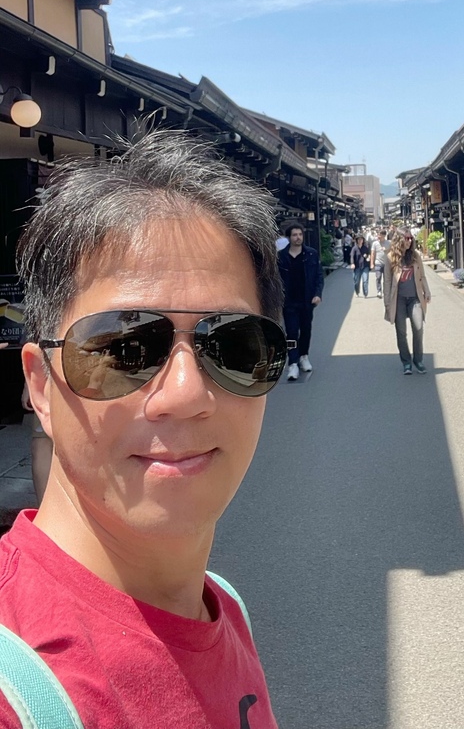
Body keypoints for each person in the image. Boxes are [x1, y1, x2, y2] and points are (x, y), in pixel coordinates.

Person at [0, 129, 286, 727]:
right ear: (41, 385)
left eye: (234, 344)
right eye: (125, 346)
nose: (185, 394)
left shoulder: (223, 607)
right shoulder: (16, 687)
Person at [278, 222, 324, 381]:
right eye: (294, 235)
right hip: (289, 301)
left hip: (307, 300)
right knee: (291, 333)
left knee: (306, 330)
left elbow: (319, 276)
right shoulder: (281, 257)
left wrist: (317, 294)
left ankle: (304, 356)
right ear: (289, 237)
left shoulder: (311, 254)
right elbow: (275, 279)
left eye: (300, 234)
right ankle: (293, 363)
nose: (298, 237)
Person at [383, 229, 431, 374]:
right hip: (398, 299)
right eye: (407, 238)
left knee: (418, 328)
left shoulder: (415, 256)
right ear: (399, 239)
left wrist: (427, 291)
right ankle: (406, 362)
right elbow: (387, 281)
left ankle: (418, 360)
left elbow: (422, 275)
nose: (410, 241)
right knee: (401, 331)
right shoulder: (391, 257)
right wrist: (387, 302)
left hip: (415, 298)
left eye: (411, 238)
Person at [349, 233, 371, 298]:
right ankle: (357, 291)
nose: (360, 240)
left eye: (361, 239)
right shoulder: (354, 248)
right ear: (357, 240)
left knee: (365, 280)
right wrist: (352, 263)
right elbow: (352, 256)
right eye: (358, 239)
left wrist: (368, 257)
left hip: (365, 266)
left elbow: (369, 255)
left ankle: (365, 293)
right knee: (356, 282)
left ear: (363, 240)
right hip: (357, 267)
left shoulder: (365, 248)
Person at [370, 229, 390, 299]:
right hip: (378, 263)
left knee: (386, 279)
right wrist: (372, 263)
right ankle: (379, 291)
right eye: (378, 234)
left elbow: (392, 252)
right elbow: (372, 253)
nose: (378, 236)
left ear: (384, 235)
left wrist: (386, 250)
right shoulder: (375, 243)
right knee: (378, 277)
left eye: (380, 234)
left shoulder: (388, 243)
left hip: (386, 263)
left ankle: (385, 291)